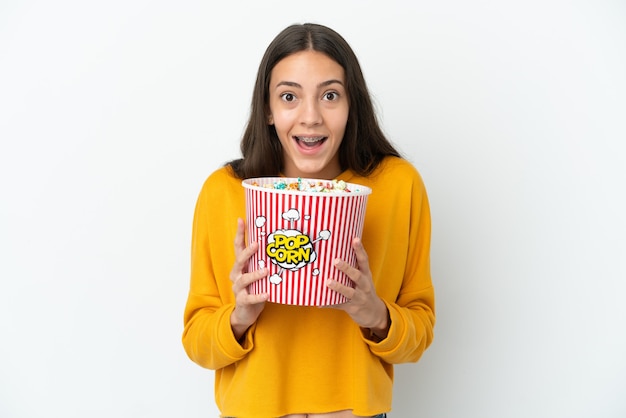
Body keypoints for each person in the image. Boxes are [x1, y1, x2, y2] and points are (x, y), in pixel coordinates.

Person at [182, 22, 435, 418]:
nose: (311, 117)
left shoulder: (397, 186)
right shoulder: (225, 192)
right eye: (289, 97)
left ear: (352, 106)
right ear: (267, 109)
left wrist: (376, 315)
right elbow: (197, 343)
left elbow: (418, 337)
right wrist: (239, 317)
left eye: (330, 95)